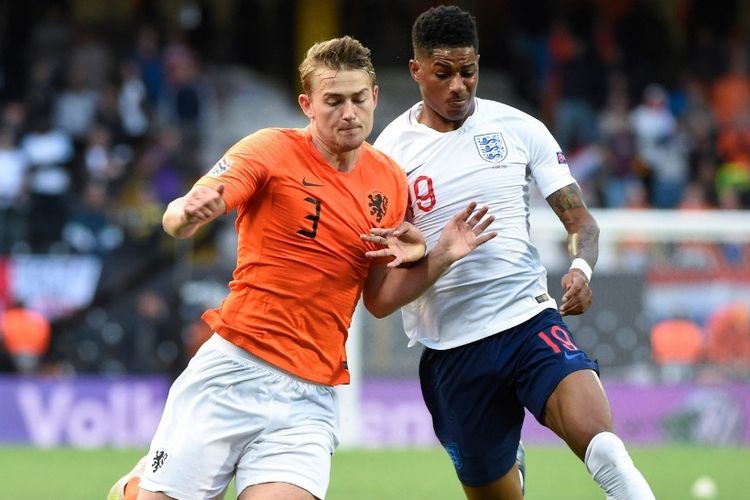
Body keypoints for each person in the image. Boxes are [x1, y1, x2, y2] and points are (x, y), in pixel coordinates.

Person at [108, 35, 496, 500]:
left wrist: (440, 256)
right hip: (233, 372)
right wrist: (185, 215)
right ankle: (135, 488)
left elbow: (377, 299)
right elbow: (182, 213)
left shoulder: (390, 181)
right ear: (308, 104)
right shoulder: (270, 149)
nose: (348, 112)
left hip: (309, 397)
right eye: (333, 101)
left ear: (374, 98)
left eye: (357, 99)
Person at [372, 6, 655, 500]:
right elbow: (387, 271)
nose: (459, 85)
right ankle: (511, 465)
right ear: (416, 70)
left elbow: (581, 222)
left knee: (605, 450)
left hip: (529, 322)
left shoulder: (519, 128)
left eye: (468, 71)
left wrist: (581, 267)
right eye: (443, 73)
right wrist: (422, 251)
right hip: (452, 351)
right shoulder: (389, 153)